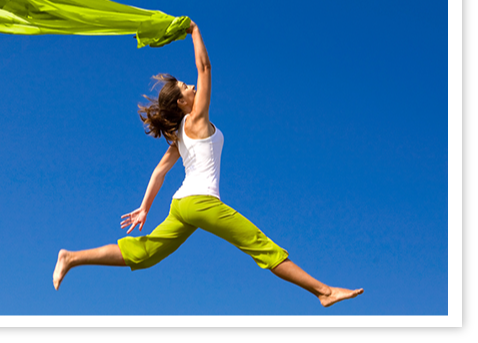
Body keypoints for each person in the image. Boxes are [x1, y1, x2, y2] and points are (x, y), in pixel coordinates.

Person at [51, 21, 363, 308]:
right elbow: (205, 66)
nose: (192, 87)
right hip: (200, 202)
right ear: (182, 103)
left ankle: (72, 257)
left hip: (182, 205)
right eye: (187, 88)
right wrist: (194, 30)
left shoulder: (180, 135)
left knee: (144, 253)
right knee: (259, 245)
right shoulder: (196, 120)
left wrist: (145, 207)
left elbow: (160, 171)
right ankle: (323, 292)